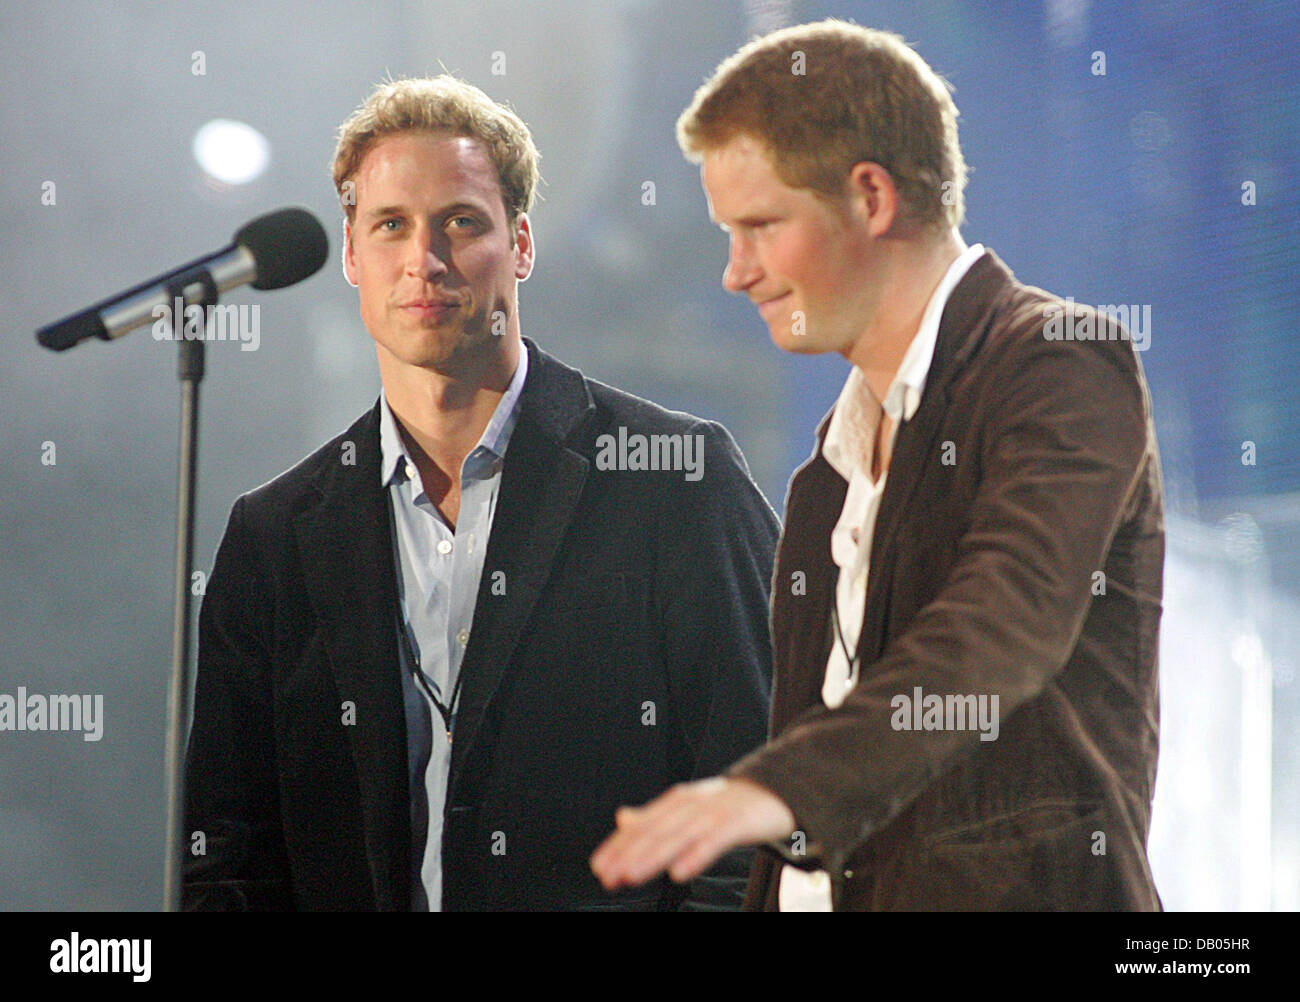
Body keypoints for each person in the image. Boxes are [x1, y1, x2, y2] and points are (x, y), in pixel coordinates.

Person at [591, 20, 1164, 911]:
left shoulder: (1058, 358)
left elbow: (999, 629)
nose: (734, 273)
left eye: (760, 226)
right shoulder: (823, 477)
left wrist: (774, 787)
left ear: (871, 197)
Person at [182, 75, 779, 911]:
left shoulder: (678, 477)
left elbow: (763, 806)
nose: (424, 259)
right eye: (391, 225)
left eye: (460, 222)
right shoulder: (273, 534)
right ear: (353, 255)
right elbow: (227, 857)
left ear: (522, 244)